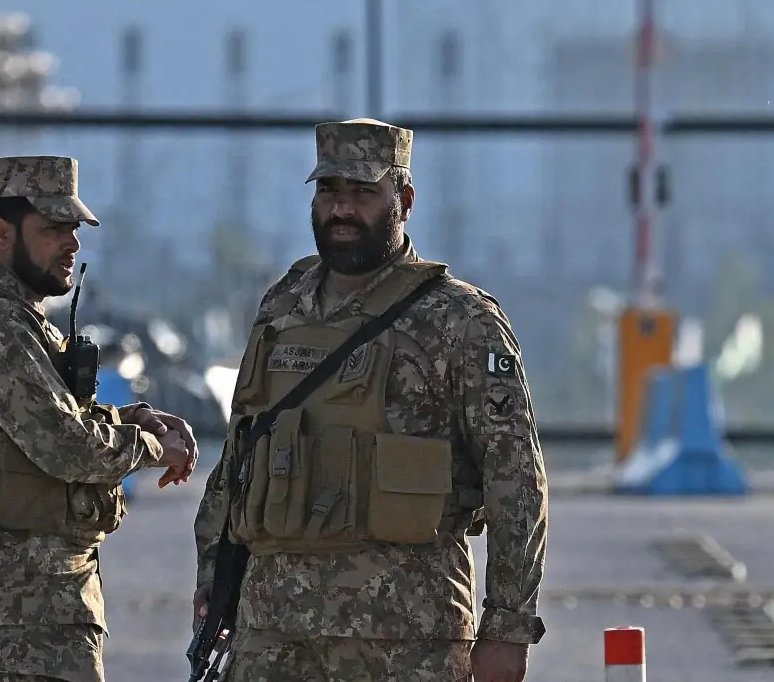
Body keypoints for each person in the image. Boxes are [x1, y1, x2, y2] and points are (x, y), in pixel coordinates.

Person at [190, 119, 549, 682]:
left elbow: (516, 479)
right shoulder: (284, 305)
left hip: (404, 638)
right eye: (329, 190)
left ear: (404, 200)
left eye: (362, 192)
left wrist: (507, 626)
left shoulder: (460, 320)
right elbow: (242, 450)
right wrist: (215, 572)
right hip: (273, 632)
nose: (341, 209)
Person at [0, 155, 203, 682]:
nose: (72, 244)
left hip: (27, 598)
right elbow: (65, 445)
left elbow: (44, 419)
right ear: (0, 233)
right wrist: (153, 448)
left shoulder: (19, 320)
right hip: (21, 605)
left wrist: (135, 418)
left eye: (74, 229)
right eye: (54, 228)